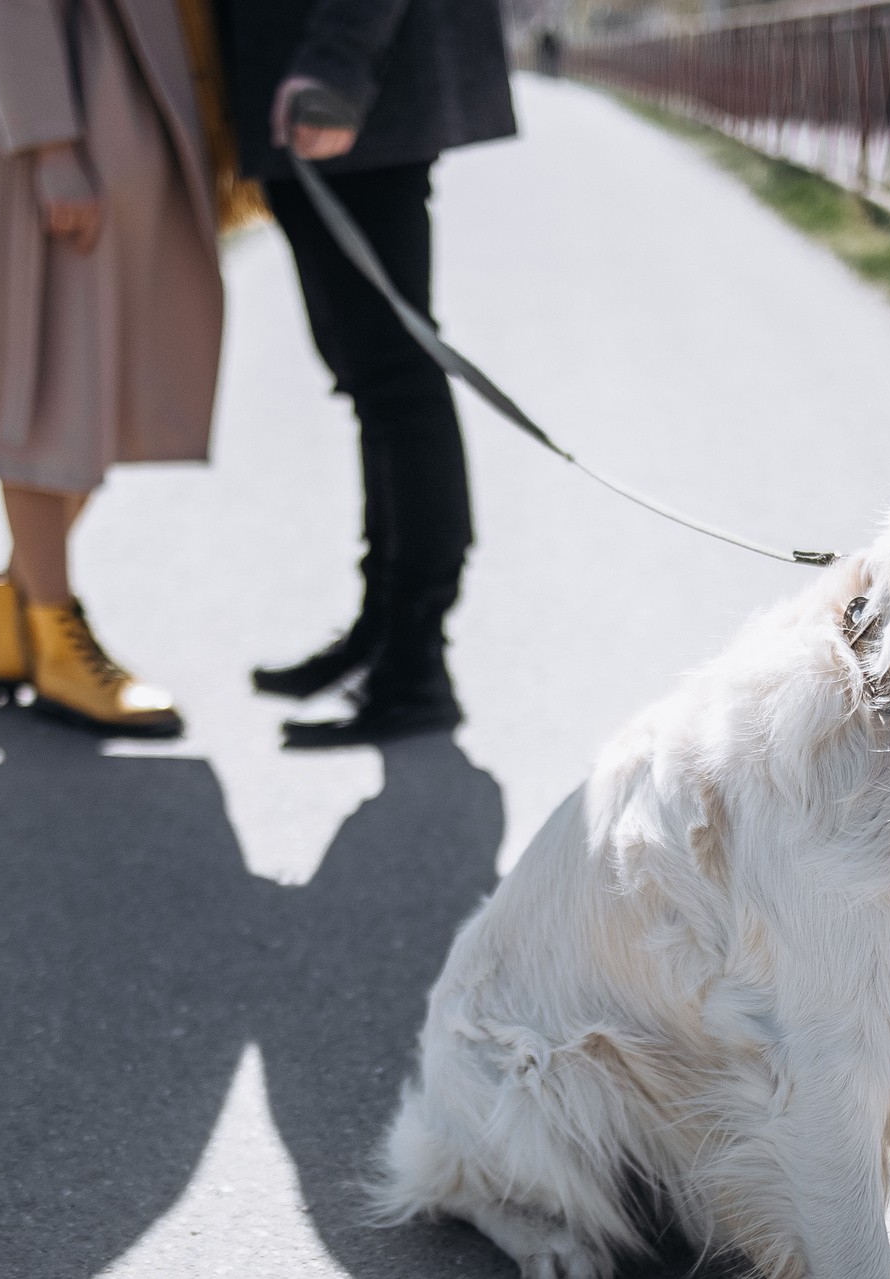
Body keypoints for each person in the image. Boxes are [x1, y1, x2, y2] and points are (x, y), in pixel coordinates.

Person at [0, 0, 245, 735]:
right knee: (48, 377)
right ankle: (53, 633)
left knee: (98, 378)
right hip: (56, 97)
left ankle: (17, 617)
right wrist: (50, 140)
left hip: (105, 85)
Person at [216, 0, 515, 746]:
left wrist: (337, 63)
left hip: (344, 98)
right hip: (319, 94)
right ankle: (385, 632)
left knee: (396, 382)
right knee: (376, 384)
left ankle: (415, 662)